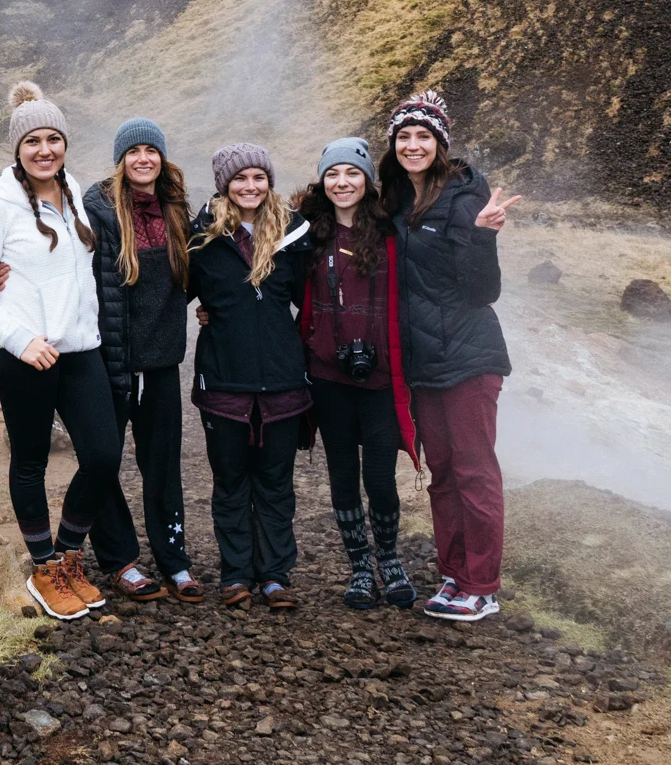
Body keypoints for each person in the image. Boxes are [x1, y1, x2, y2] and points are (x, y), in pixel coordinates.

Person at [0, 82, 123, 621]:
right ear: (17, 148)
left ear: (65, 144)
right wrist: (21, 339)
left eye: (54, 139)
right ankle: (43, 566)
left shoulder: (73, 192)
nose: (44, 150)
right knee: (31, 461)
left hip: (78, 349)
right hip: (23, 354)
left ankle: (69, 555)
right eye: (33, 141)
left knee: (103, 456)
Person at [378, 90, 521, 623]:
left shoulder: (464, 198)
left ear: (440, 144)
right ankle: (454, 574)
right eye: (404, 136)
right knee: (442, 471)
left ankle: (481, 586)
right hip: (423, 363)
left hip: (468, 358)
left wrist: (483, 237)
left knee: (474, 471)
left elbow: (483, 291)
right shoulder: (395, 202)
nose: (413, 145)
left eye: (424, 136)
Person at [186, 142, 315, 609]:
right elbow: (174, 289)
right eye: (240, 178)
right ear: (225, 184)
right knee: (231, 482)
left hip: (283, 383)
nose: (250, 186)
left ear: (269, 182)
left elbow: (311, 299)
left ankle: (275, 576)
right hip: (224, 383)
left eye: (259, 177)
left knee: (276, 483)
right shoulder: (202, 237)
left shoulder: (294, 234)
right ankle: (236, 573)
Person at [295, 137, 420, 610]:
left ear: (367, 180)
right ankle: (360, 567)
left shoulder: (392, 232)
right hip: (328, 376)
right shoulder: (308, 235)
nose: (342, 182)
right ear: (322, 182)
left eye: (352, 173)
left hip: (382, 377)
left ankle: (389, 558)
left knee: (381, 478)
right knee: (343, 475)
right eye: (332, 174)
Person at [83, 119, 198, 602]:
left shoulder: (178, 211)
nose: (143, 158)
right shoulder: (97, 211)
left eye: (151, 150)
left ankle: (174, 559)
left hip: (162, 364)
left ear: (162, 158)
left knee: (163, 464)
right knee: (102, 461)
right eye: (134, 151)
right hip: (109, 361)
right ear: (121, 160)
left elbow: (200, 276)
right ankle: (120, 560)